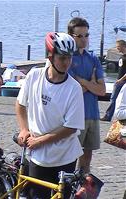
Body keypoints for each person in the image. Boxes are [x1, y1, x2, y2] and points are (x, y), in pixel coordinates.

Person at [16, 32, 84, 198]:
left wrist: (40, 140)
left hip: (64, 156)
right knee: (37, 195)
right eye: (62, 58)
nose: (66, 62)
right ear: (50, 56)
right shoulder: (34, 75)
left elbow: (70, 127)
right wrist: (24, 129)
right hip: (38, 156)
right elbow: (20, 104)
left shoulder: (74, 88)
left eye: (69, 58)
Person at [67, 17, 106, 173]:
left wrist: (81, 81)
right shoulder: (67, 59)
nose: (84, 39)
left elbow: (102, 90)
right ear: (71, 36)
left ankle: (83, 187)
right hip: (75, 115)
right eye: (80, 36)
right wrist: (91, 83)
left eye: (87, 35)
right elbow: (71, 90)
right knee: (71, 156)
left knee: (87, 156)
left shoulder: (93, 59)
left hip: (92, 114)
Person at [101, 39, 126, 121]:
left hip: (122, 82)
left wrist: (121, 80)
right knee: (114, 99)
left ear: (123, 46)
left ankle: (108, 116)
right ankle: (109, 115)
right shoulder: (122, 56)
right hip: (119, 80)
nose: (117, 48)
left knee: (114, 98)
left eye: (118, 47)